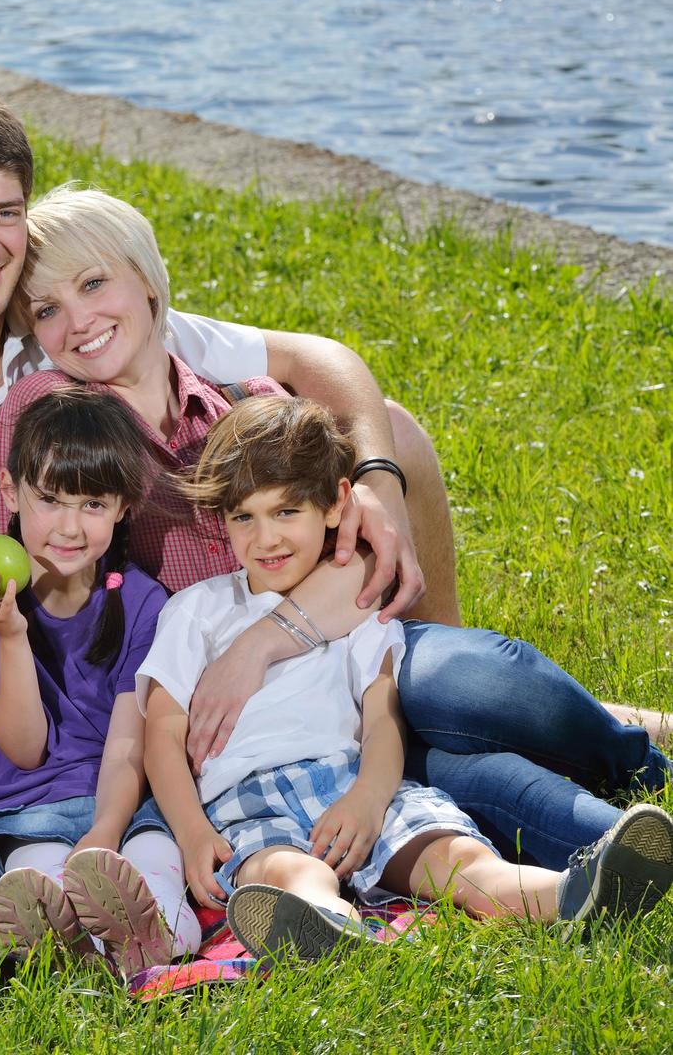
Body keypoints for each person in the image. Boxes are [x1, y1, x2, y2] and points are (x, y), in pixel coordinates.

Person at [0, 84, 433, 882]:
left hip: (168, 683)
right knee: (453, 701)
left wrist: (376, 487)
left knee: (392, 433)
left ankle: (432, 694)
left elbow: (315, 359)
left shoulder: (55, 323)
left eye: (5, 212)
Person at [0, 183, 671, 869]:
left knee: (460, 684)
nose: (76, 321)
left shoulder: (243, 405)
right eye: (47, 309)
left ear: (148, 281)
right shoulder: (55, 427)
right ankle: (618, 837)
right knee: (453, 763)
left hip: (343, 655)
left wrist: (261, 642)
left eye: (94, 283)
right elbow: (54, 599)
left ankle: (636, 765)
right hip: (236, 731)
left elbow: (356, 551)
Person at [140, 391, 673, 961]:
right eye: (243, 517)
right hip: (248, 799)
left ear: (336, 504)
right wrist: (194, 833)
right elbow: (163, 734)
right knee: (282, 871)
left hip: (347, 777)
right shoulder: (198, 609)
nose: (265, 538)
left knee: (457, 860)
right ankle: (327, 925)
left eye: (286, 512)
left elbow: (382, 713)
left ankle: (570, 893)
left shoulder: (353, 604)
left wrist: (370, 797)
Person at [0, 387, 200, 973]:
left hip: (125, 799)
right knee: (43, 864)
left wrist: (107, 827)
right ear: (10, 492)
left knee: (154, 853)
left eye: (93, 505)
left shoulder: (142, 602)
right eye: (50, 499)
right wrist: (9, 633)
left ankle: (156, 934)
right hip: (26, 804)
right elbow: (25, 750)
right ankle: (65, 940)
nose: (70, 527)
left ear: (124, 507)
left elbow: (132, 739)